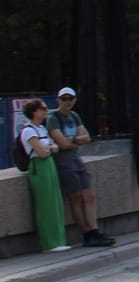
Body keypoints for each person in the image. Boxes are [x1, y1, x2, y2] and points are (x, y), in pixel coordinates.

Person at [45, 87, 115, 247]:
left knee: (89, 195)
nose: (67, 102)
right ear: (58, 100)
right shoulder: (53, 117)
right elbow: (61, 143)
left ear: (75, 100)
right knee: (75, 197)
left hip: (76, 159)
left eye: (70, 98)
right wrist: (76, 140)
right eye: (64, 99)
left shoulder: (75, 116)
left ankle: (95, 230)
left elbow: (87, 138)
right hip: (63, 162)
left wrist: (72, 140)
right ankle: (87, 233)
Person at [18, 101, 70, 252]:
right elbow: (43, 152)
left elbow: (53, 147)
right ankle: (50, 243)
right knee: (46, 204)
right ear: (34, 112)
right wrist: (50, 148)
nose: (46, 110)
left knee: (55, 202)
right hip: (39, 166)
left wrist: (50, 148)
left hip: (49, 165)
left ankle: (59, 240)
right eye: (43, 108)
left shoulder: (41, 129)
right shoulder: (28, 131)